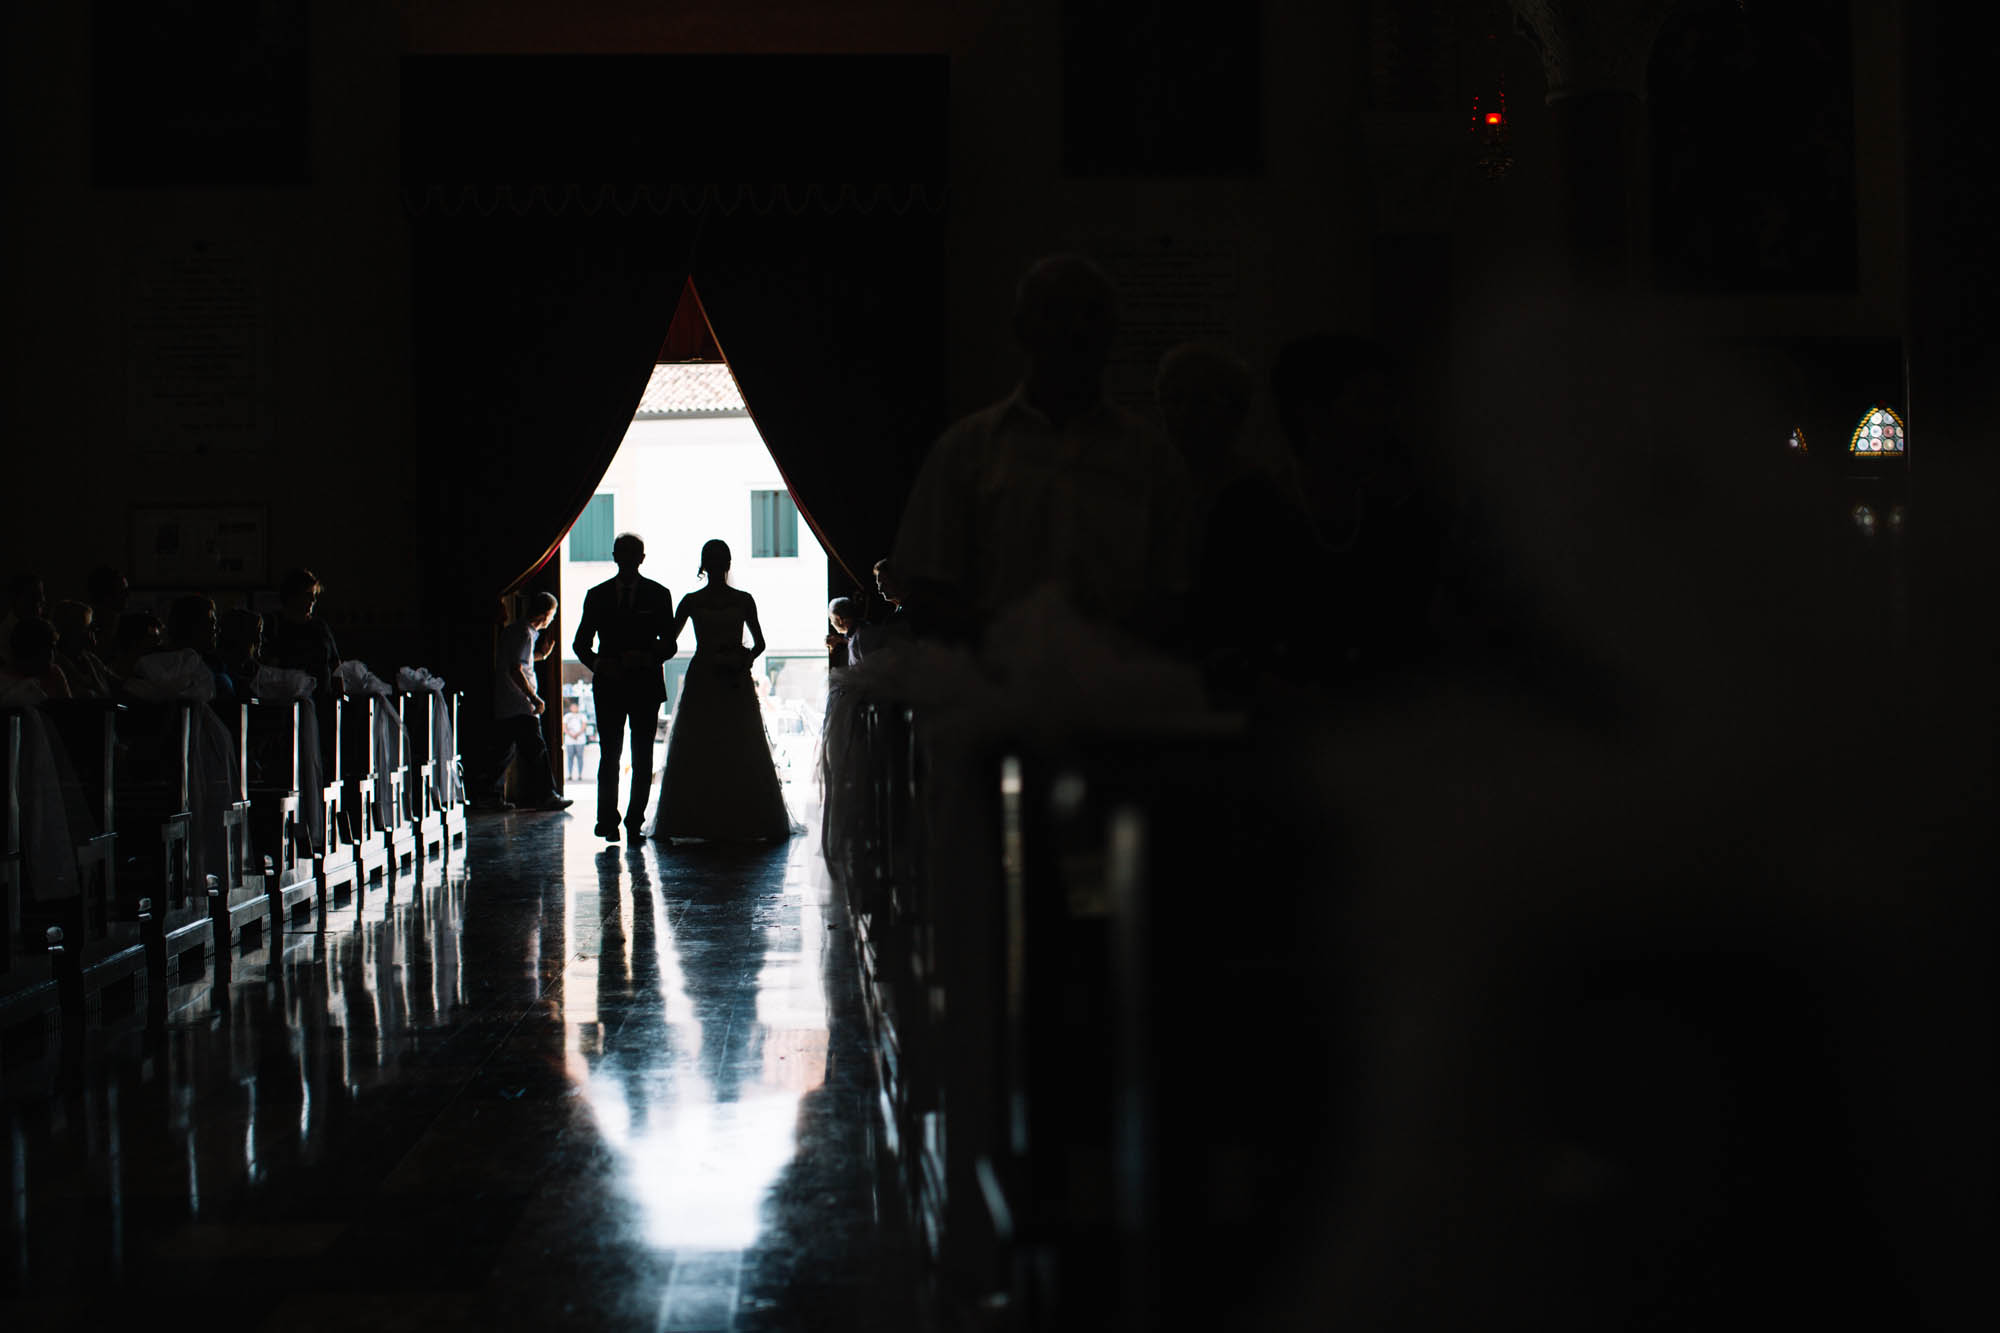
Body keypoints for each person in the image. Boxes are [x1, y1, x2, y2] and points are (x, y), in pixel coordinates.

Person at [890, 253, 1195, 647]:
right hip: (998, 681)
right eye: (1056, 314)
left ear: (1110, 332)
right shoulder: (963, 452)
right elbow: (928, 593)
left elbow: (1177, 594)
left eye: (1089, 315)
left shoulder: (1152, 458)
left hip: (1117, 680)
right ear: (1022, 329)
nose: (1073, 329)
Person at [651, 540, 794, 842]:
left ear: (718, 564)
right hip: (710, 677)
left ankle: (703, 818)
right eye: (715, 561)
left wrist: (742, 659)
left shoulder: (707, 601)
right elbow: (669, 641)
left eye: (718, 561)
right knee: (718, 741)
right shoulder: (717, 600)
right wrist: (744, 658)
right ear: (714, 565)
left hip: (724, 676)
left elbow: (759, 643)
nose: (717, 567)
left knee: (723, 741)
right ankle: (730, 817)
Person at [570, 533, 677, 843]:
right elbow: (580, 643)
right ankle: (608, 819)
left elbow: (670, 644)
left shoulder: (659, 594)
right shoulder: (596, 595)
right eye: (624, 553)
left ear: (641, 558)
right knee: (610, 754)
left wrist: (646, 657)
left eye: (633, 554)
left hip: (644, 684)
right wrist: (600, 664)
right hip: (610, 684)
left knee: (641, 756)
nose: (628, 560)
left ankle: (633, 821)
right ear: (615, 557)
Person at [476, 591, 571, 813]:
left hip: (506, 704)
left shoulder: (514, 631)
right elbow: (516, 669)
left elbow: (518, 660)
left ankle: (488, 796)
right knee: (537, 751)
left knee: (503, 752)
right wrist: (534, 698)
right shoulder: (525, 634)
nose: (552, 619)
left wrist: (541, 656)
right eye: (553, 614)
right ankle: (547, 796)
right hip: (520, 704)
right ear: (545, 614)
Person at [50, 599, 115, 696]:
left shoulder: (89, 658)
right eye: (86, 628)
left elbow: (117, 682)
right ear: (68, 630)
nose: (91, 633)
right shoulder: (56, 664)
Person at [0, 572, 47, 671]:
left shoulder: (42, 628)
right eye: (33, 596)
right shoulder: (4, 636)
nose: (42, 600)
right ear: (15, 598)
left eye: (41, 595)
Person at [826, 596, 861, 669]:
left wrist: (832, 650)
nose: (831, 623)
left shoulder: (855, 643)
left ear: (839, 619)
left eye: (831, 618)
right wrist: (841, 640)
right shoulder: (863, 629)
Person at [562, 700, 588, 782]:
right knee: (570, 758)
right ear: (570, 708)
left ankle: (580, 774)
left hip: (580, 740)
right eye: (573, 707)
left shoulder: (582, 716)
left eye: (575, 707)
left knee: (580, 757)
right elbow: (564, 727)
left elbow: (584, 726)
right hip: (569, 741)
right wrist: (570, 734)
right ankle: (570, 774)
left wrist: (577, 734)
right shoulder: (567, 716)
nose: (574, 708)